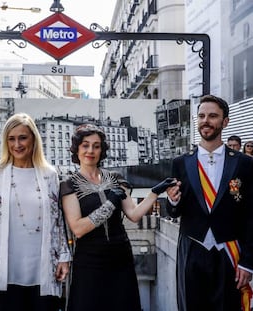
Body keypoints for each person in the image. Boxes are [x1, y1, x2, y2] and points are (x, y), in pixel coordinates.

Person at [60, 124, 175, 311]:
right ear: (77, 149)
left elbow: (134, 214)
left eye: (96, 146)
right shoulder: (69, 184)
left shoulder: (115, 178)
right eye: (85, 145)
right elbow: (78, 229)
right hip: (89, 259)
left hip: (120, 256)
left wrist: (155, 192)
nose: (91, 150)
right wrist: (110, 203)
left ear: (102, 150)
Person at [166, 95, 253, 310]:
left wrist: (248, 262)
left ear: (225, 122)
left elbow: (251, 215)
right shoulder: (181, 163)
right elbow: (173, 211)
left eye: (213, 116)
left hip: (229, 252)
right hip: (192, 251)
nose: (206, 120)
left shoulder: (244, 163)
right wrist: (172, 201)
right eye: (202, 116)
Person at [0, 113, 71, 311]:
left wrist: (63, 256)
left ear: (33, 139)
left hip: (44, 266)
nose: (17, 144)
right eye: (11, 139)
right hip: (6, 266)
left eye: (23, 137)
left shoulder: (49, 175)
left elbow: (58, 219)